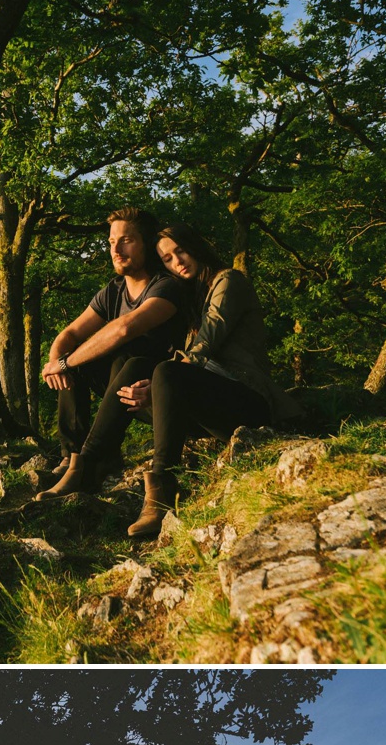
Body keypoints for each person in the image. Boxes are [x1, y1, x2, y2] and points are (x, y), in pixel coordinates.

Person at [118, 223, 301, 538]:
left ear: (196, 246)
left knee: (166, 372)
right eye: (166, 259)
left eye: (181, 251)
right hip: (215, 407)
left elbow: (207, 340)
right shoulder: (191, 301)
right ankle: (87, 460)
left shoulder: (229, 280)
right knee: (132, 367)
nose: (178, 261)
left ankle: (161, 488)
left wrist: (164, 381)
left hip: (250, 401)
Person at [36, 206, 188, 500]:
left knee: (125, 356)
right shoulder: (113, 290)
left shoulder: (167, 287)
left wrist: (64, 362)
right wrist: (57, 362)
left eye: (126, 240)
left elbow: (123, 329)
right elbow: (70, 334)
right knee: (76, 365)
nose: (116, 249)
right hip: (120, 388)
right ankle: (72, 457)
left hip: (153, 392)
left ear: (146, 244)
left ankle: (94, 462)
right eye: (111, 242)